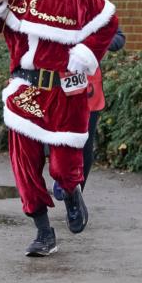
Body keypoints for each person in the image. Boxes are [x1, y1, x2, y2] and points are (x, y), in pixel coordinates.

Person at [0, 0, 118, 256]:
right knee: (24, 166)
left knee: (63, 166)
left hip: (65, 92)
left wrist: (84, 54)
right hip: (23, 90)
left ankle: (71, 191)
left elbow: (109, 23)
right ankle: (43, 232)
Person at [52, 26, 126, 201]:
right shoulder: (50, 4)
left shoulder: (95, 7)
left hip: (88, 86)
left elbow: (118, 37)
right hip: (56, 84)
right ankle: (61, 176)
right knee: (57, 138)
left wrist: (94, 45)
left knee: (84, 142)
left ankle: (75, 196)